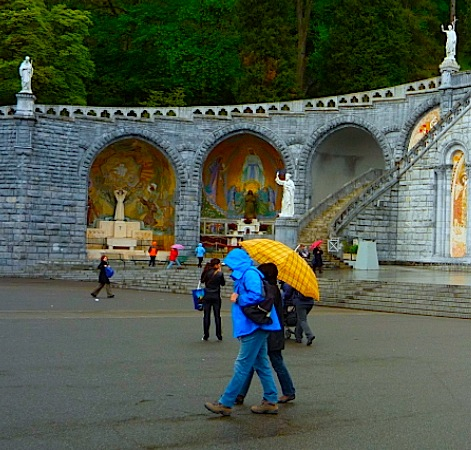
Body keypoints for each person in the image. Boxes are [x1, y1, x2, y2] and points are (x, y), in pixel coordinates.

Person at [204, 248, 282, 416]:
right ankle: (270, 400)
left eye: (231, 266)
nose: (229, 269)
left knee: (243, 364)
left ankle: (226, 402)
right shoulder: (249, 273)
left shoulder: (249, 274)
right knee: (260, 364)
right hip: (257, 325)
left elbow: (256, 295)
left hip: (253, 325)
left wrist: (238, 298)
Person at [236, 263, 296, 405]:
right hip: (274, 331)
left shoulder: (270, 291)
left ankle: (288, 392)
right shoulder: (274, 289)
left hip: (270, 332)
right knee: (254, 362)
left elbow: (261, 309)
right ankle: (240, 393)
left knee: (273, 363)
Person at [200, 258, 225, 341]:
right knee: (217, 315)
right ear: (216, 265)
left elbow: (202, 280)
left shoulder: (206, 272)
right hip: (216, 296)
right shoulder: (219, 274)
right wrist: (220, 272)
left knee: (206, 315)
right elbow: (223, 283)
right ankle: (219, 334)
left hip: (206, 295)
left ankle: (206, 334)